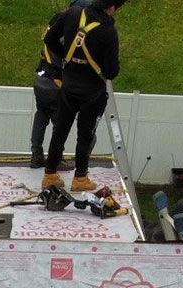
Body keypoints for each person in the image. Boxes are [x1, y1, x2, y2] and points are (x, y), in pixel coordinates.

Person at [40, 0, 123, 193]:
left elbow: (50, 39)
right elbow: (111, 72)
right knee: (85, 136)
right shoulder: (108, 31)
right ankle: (80, 177)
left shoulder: (73, 13)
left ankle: (50, 174)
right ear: (111, 8)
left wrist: (69, 60)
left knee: (59, 130)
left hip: (68, 85)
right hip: (92, 93)